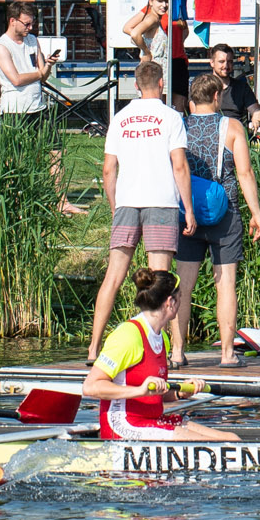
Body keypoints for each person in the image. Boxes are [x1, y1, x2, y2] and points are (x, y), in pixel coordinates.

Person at [89, 59, 186, 361]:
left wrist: (116, 206)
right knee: (164, 279)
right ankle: (176, 351)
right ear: (161, 84)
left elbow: (108, 169)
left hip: (128, 202)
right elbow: (179, 166)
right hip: (161, 202)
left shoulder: (120, 117)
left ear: (135, 86)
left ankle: (93, 349)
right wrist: (190, 211)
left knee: (113, 278)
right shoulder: (171, 117)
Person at [81, 266, 238, 443]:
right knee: (208, 443)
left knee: (230, 439)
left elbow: (155, 394)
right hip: (123, 424)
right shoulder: (128, 335)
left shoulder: (162, 338)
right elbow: (90, 387)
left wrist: (180, 393)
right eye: (180, 299)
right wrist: (140, 390)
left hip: (151, 420)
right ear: (170, 302)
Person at [175, 68, 260, 367]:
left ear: (192, 100)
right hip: (225, 213)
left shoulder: (181, 127)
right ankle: (227, 354)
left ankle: (177, 353)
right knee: (225, 284)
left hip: (188, 215)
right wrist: (256, 213)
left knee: (183, 286)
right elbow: (244, 172)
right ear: (217, 96)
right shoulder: (233, 127)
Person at [0, 1, 51, 119]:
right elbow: (16, 80)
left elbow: (44, 77)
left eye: (32, 23)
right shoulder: (1, 46)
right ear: (12, 21)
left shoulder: (33, 40)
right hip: (15, 109)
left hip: (37, 106)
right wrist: (39, 73)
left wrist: (49, 64)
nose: (30, 27)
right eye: (26, 24)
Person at [204, 43, 260, 134]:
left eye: (230, 62)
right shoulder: (203, 86)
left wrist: (257, 116)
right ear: (212, 62)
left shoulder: (241, 87)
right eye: (221, 61)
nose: (226, 66)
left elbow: (255, 109)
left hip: (236, 132)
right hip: (210, 131)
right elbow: (195, 113)